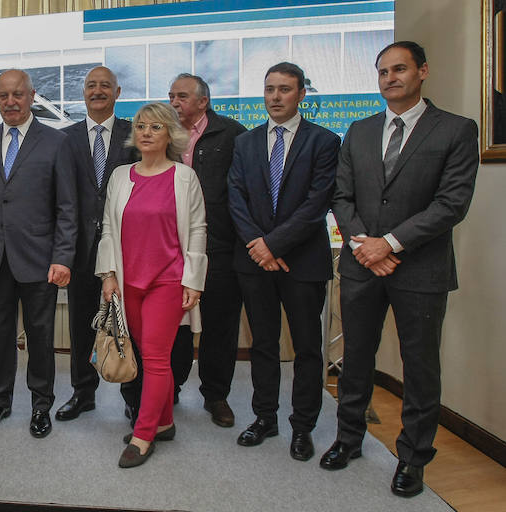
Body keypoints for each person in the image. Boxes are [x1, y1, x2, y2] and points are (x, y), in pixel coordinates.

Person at [321, 41, 478, 498]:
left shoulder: (455, 129)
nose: (390, 78)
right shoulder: (360, 129)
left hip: (420, 271)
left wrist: (386, 244)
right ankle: (349, 439)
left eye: (400, 69)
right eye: (383, 71)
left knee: (420, 367)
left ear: (423, 71)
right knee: (356, 361)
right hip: (361, 266)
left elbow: (452, 203)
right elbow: (341, 196)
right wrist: (364, 246)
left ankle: (412, 458)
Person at [227, 62, 339, 462]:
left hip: (302, 261)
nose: (275, 97)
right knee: (263, 344)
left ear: (301, 94)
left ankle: (302, 426)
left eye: (285, 89)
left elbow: (316, 204)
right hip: (254, 261)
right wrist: (259, 245)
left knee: (308, 348)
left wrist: (273, 245)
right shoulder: (246, 142)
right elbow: (235, 197)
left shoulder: (324, 141)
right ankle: (264, 417)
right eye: (270, 89)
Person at [0, 69, 76, 439]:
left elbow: (67, 206)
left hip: (40, 259)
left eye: (17, 95)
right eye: (2, 96)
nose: (10, 102)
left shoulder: (56, 142)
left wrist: (62, 257)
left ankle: (40, 404)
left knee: (40, 337)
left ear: (32, 96)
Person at [97, 102, 206, 468]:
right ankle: (165, 422)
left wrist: (194, 281)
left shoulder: (184, 177)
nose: (145, 132)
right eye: (141, 126)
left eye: (155, 127)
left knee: (157, 358)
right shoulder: (120, 176)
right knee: (145, 353)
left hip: (168, 280)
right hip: (129, 281)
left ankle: (143, 435)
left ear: (170, 135)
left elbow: (197, 230)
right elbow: (109, 229)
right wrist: (108, 274)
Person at [167, 73, 247, 427]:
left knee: (219, 323)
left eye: (182, 96)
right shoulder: (163, 134)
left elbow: (242, 192)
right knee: (174, 323)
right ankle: (170, 387)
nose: (174, 102)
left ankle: (216, 395)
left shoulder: (231, 134)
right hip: (170, 248)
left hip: (218, 246)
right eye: (171, 95)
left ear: (203, 101)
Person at [56, 66, 136, 422]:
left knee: (128, 322)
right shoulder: (65, 138)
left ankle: (132, 394)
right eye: (92, 86)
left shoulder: (135, 133)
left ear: (117, 92)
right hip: (79, 247)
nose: (98, 91)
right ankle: (82, 392)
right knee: (80, 324)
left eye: (105, 85)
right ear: (83, 93)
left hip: (126, 248)